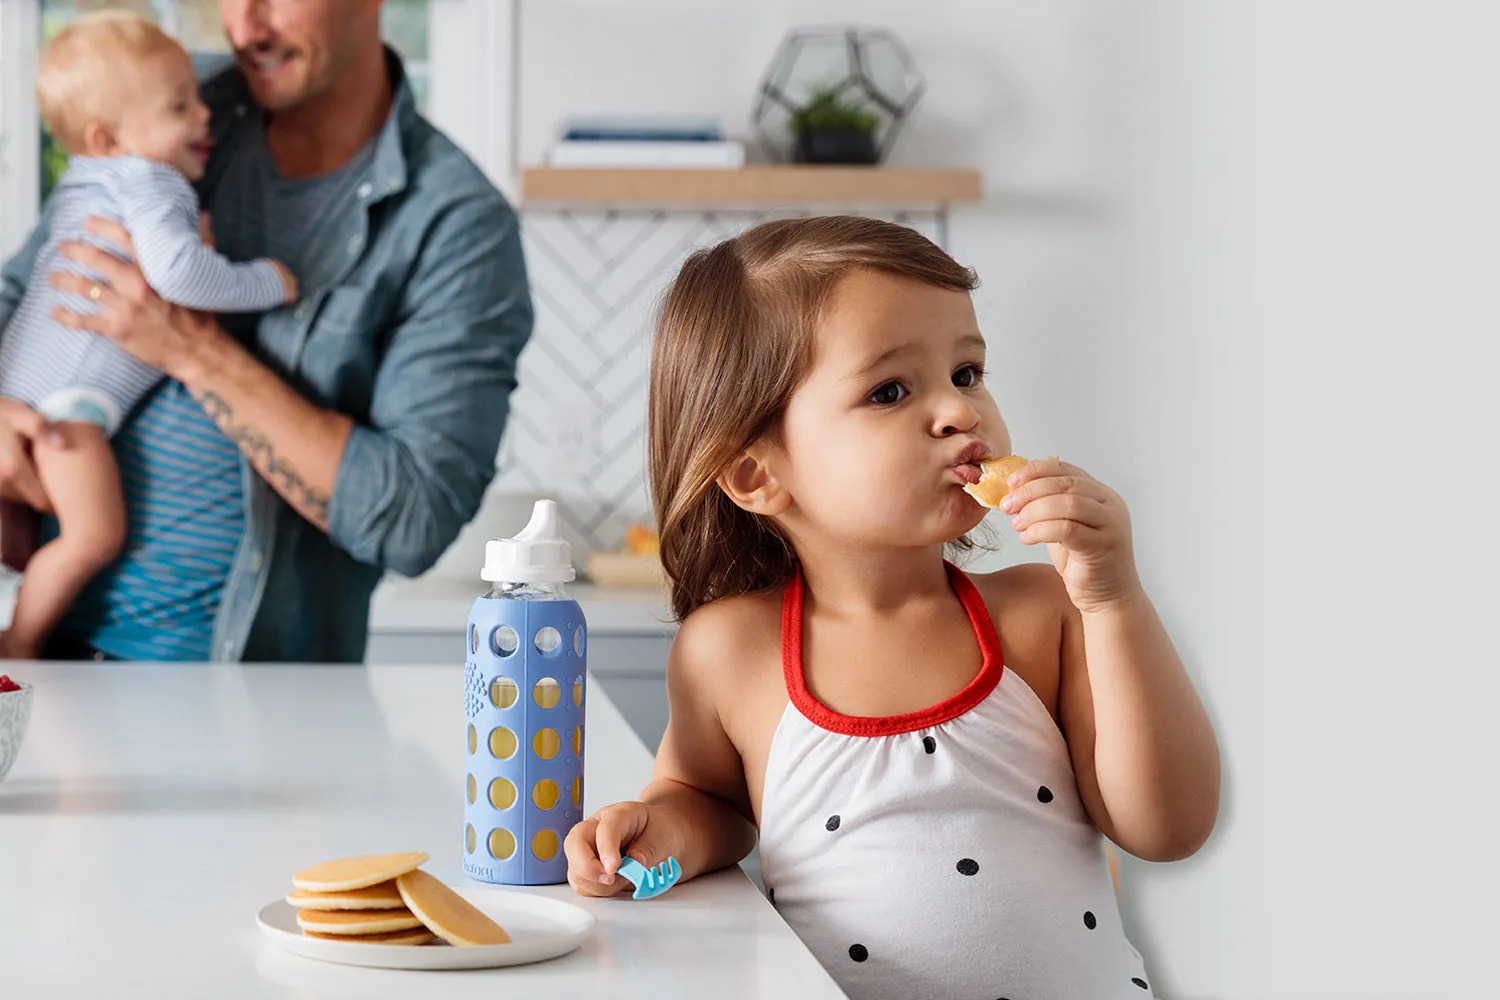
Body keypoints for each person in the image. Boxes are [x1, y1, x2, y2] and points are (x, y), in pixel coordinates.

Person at [563, 217, 1220, 999]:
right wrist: (654, 834)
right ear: (755, 474)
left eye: (968, 372)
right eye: (891, 390)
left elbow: (1169, 829)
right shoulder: (729, 652)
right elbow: (711, 801)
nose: (959, 412)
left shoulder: (1044, 617)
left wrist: (1114, 599)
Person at [0, 0, 532, 662]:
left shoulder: (456, 225)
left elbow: (412, 520)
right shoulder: (164, 105)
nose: (246, 24)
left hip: (241, 686)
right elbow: (22, 293)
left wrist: (194, 350)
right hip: (47, 655)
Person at [0, 11, 300, 660]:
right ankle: (18, 647)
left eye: (195, 98)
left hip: (26, 387)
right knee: (90, 539)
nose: (203, 118)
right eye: (178, 107)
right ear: (108, 137)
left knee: (23, 545)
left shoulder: (87, 177)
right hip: (67, 410)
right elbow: (180, 274)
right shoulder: (148, 179)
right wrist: (266, 283)